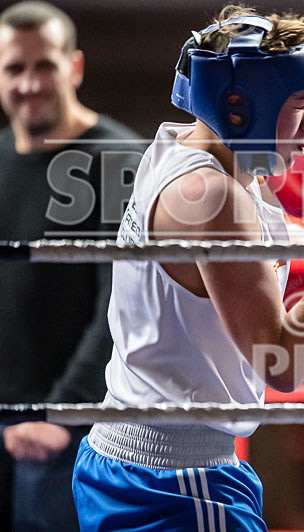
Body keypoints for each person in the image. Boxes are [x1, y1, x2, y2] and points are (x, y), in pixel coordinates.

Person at [70, 5, 304, 531]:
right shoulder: (212, 195)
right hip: (175, 477)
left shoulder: (192, 153)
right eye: (302, 104)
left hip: (143, 457)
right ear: (243, 106)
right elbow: (280, 362)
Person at [0, 2, 142, 530]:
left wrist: (63, 413)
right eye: (15, 67)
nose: (30, 83)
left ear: (74, 67)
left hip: (72, 435)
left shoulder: (118, 160)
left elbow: (125, 299)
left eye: (45, 66)